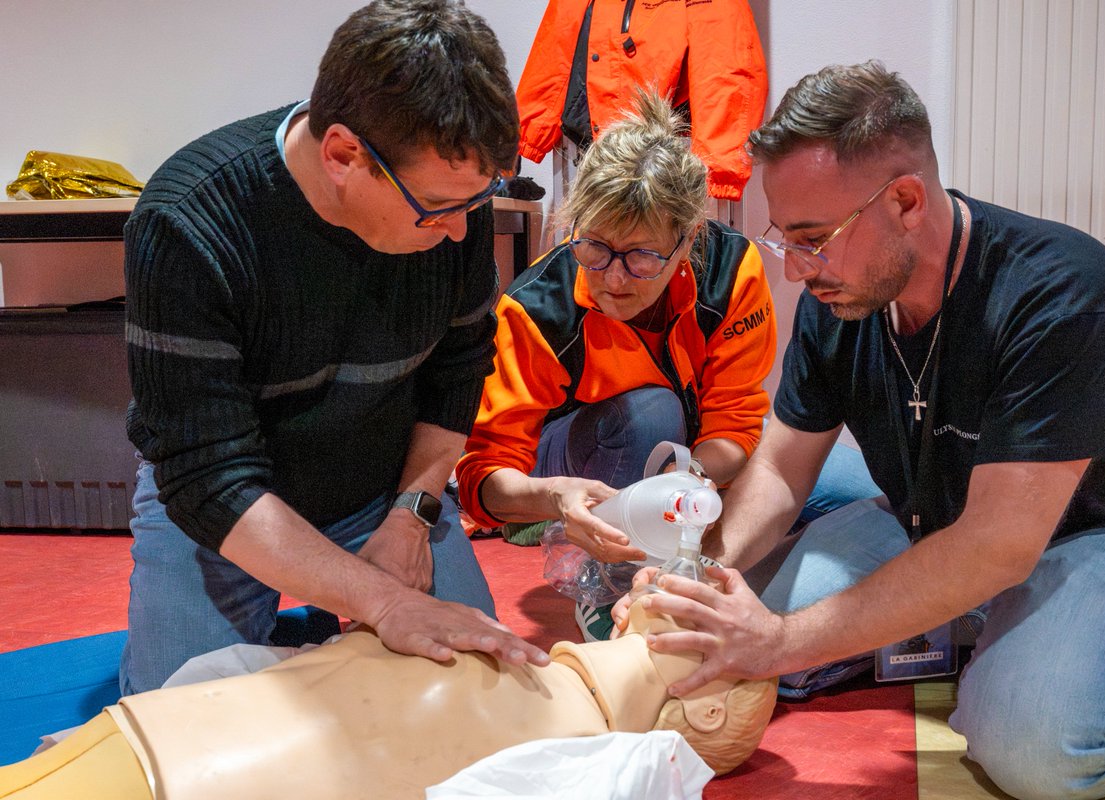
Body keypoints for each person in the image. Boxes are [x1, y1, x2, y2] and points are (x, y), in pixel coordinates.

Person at [616, 61, 1105, 800]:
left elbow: (998, 545)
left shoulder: (1065, 293)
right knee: (730, 632)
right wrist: (696, 571)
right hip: (939, 522)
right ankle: (984, 630)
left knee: (1039, 752)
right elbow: (782, 472)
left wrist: (781, 641)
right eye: (783, 239)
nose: (796, 270)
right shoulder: (845, 296)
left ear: (905, 201)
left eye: (814, 238)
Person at [119, 0, 549, 696]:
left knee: (474, 695)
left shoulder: (451, 211)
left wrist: (412, 515)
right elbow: (206, 477)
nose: (463, 235)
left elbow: (457, 375)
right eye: (440, 209)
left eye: (479, 203)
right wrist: (381, 600)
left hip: (382, 487)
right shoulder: (189, 222)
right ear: (344, 155)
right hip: (224, 506)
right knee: (184, 726)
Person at [453, 91, 880, 642]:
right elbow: (482, 483)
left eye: (643, 256)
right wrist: (556, 497)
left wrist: (692, 480)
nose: (613, 277)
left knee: (877, 492)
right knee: (649, 414)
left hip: (696, 460)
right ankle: (612, 583)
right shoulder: (536, 309)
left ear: (687, 242)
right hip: (572, 465)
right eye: (595, 247)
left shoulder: (731, 272)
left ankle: (722, 554)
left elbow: (735, 423)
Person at [0, 598, 777, 800]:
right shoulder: (523, 663)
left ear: (707, 707)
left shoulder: (593, 763)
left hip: (174, 767)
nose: (661, 587)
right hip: (150, 739)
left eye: (706, 618)